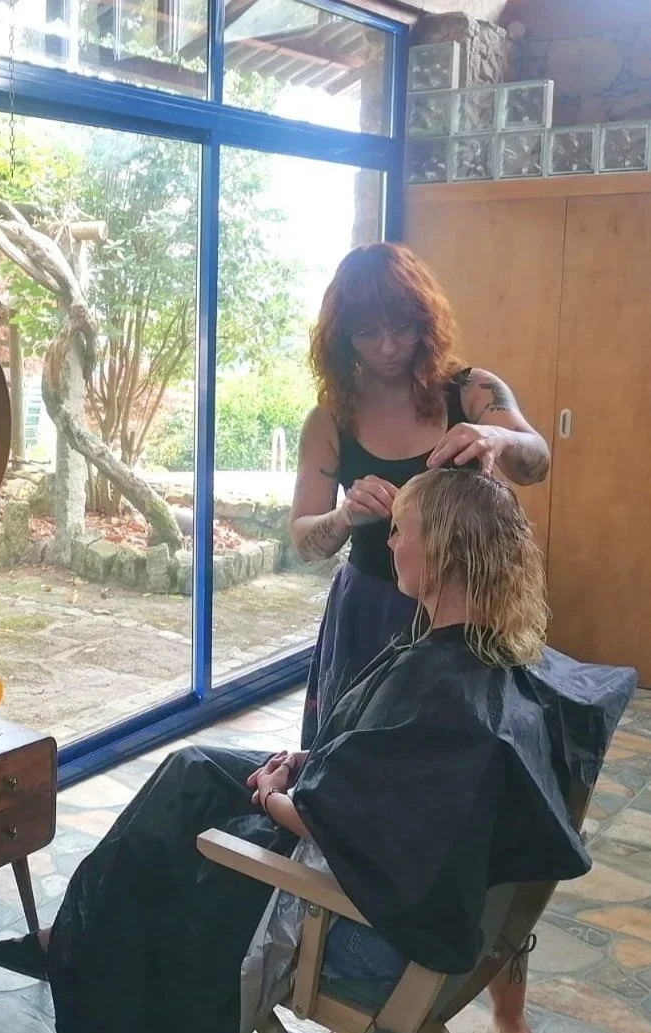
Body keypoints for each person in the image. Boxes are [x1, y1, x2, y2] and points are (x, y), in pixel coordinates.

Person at [0, 469, 634, 1033]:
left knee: (179, 855)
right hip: (376, 838)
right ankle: (74, 934)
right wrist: (306, 763)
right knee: (192, 767)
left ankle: (81, 949)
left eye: (401, 528)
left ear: (440, 549)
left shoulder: (446, 693)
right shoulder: (497, 663)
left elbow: (341, 821)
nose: (389, 541)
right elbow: (386, 771)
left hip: (357, 923)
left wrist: (276, 794)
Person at [290, 243, 551, 1032]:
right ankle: (361, 946)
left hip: (468, 613)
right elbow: (302, 535)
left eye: (401, 327)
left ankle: (507, 1004)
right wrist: (343, 516)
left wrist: (498, 442)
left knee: (480, 799)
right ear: (343, 336)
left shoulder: (469, 388)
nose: (388, 345)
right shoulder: (330, 420)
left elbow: (536, 456)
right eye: (369, 332)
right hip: (372, 610)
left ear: (422, 319)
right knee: (358, 785)